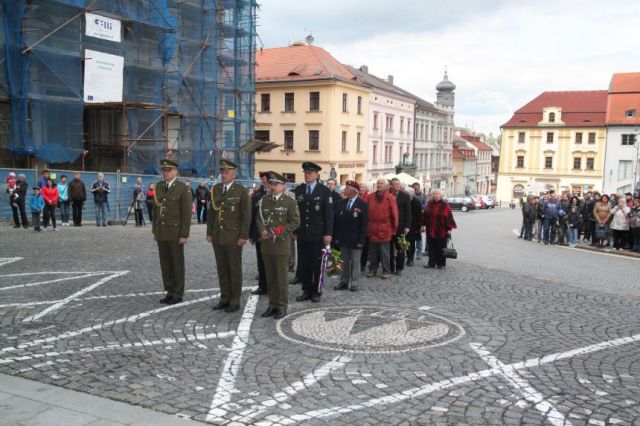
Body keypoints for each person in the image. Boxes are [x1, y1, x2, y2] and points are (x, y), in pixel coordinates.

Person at [207, 159, 251, 313]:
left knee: (234, 268)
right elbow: (212, 212)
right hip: (218, 236)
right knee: (222, 268)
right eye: (222, 172)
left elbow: (246, 216)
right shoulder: (216, 189)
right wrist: (209, 232)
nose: (223, 175)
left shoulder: (241, 191)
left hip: (233, 236)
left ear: (234, 174)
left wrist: (243, 236)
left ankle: (234, 300)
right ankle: (224, 297)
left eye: (227, 172)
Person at [257, 172, 301, 319]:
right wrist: (262, 230)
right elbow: (259, 218)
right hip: (267, 245)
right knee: (270, 277)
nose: (273, 187)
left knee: (281, 278)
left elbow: (295, 221)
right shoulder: (264, 200)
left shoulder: (289, 201)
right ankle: (272, 304)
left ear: (284, 186)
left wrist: (278, 231)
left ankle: (282, 306)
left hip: (281, 244)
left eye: (276, 184)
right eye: (271, 184)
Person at [293, 162, 334, 303]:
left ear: (317, 175)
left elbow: (329, 214)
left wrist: (328, 233)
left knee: (316, 264)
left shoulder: (324, 191)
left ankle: (316, 291)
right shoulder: (299, 190)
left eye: (310, 173)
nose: (307, 175)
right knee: (304, 263)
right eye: (305, 172)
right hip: (303, 234)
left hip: (318, 234)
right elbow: (296, 213)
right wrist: (295, 230)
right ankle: (306, 289)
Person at [153, 159, 192, 305]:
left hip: (175, 232)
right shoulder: (158, 187)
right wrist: (155, 230)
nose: (165, 173)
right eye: (163, 170)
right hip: (162, 231)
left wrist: (184, 234)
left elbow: (186, 213)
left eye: (168, 170)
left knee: (176, 263)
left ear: (175, 171)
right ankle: (169, 290)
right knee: (165, 263)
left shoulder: (182, 188)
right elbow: (155, 210)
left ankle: (178, 292)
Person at [333, 180, 368, 292]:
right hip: (344, 238)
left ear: (354, 190)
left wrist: (362, 240)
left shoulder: (362, 204)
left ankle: (355, 282)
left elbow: (364, 224)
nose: (345, 190)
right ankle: (344, 281)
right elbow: (338, 222)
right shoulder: (342, 203)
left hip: (356, 238)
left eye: (347, 188)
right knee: (345, 261)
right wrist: (337, 237)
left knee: (355, 261)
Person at [366, 178, 398, 279]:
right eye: (378, 183)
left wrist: (393, 229)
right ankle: (372, 270)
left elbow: (395, 215)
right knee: (373, 252)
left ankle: (386, 270)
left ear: (386, 186)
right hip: (372, 228)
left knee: (385, 253)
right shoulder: (370, 197)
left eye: (381, 183)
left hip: (385, 228)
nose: (379, 185)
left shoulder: (390, 198)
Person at [422, 189, 457, 269]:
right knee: (431, 247)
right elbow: (425, 215)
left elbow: (449, 217)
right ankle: (431, 263)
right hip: (430, 229)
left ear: (441, 195)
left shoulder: (445, 205)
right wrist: (423, 225)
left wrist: (449, 229)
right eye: (434, 194)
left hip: (441, 230)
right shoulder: (430, 203)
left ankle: (440, 264)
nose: (435, 195)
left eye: (437, 194)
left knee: (440, 247)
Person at [249, 172, 270, 296]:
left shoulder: (274, 193)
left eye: (266, 178)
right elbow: (252, 215)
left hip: (272, 235)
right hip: (259, 234)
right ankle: (262, 286)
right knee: (261, 262)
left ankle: (272, 286)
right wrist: (251, 234)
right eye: (262, 178)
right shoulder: (257, 194)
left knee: (271, 262)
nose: (264, 180)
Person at [388, 178, 411, 276]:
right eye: (395, 184)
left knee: (400, 248)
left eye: (398, 184)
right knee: (389, 248)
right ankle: (390, 267)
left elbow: (408, 213)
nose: (397, 186)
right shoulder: (388, 195)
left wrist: (407, 226)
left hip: (401, 226)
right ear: (391, 186)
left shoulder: (405, 196)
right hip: (389, 226)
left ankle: (399, 267)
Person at [405, 187, 423, 266]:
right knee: (406, 242)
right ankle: (408, 257)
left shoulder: (417, 202)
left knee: (411, 243)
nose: (409, 195)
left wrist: (418, 227)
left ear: (413, 194)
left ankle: (410, 258)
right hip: (405, 225)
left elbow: (419, 216)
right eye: (407, 194)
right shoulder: (405, 201)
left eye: (410, 194)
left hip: (413, 226)